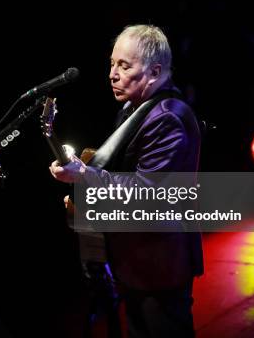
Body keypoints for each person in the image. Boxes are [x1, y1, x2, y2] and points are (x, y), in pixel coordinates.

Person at [49, 25, 203, 337]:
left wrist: (85, 176)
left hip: (159, 267)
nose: (112, 74)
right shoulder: (135, 109)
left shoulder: (167, 118)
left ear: (154, 71)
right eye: (111, 63)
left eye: (124, 65)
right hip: (137, 262)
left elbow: (146, 193)